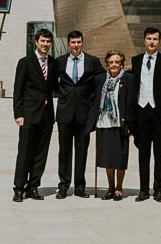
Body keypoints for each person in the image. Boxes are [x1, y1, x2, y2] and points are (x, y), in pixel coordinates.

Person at [55, 30, 103, 198]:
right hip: (65, 113)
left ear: (83, 43)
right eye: (73, 42)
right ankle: (63, 185)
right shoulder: (59, 62)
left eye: (79, 42)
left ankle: (80, 186)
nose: (76, 45)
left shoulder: (93, 61)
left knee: (82, 151)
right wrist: (64, 96)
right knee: (64, 151)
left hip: (84, 114)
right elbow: (54, 83)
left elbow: (101, 82)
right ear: (68, 44)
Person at [13, 28, 59, 202]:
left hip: (47, 116)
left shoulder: (53, 63)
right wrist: (18, 114)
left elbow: (55, 87)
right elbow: (18, 90)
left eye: (48, 42)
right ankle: (18, 188)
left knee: (41, 153)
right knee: (25, 152)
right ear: (36, 42)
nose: (45, 45)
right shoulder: (25, 62)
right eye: (42, 41)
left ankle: (33, 186)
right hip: (29, 115)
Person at [129, 26, 161, 202]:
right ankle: (143, 189)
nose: (152, 42)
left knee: (159, 153)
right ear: (144, 40)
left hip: (158, 112)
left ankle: (158, 189)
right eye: (149, 38)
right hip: (141, 112)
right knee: (143, 152)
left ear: (159, 41)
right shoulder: (136, 60)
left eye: (155, 39)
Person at [93, 50, 134, 200]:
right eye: (111, 62)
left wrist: (130, 122)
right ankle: (110, 187)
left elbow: (131, 102)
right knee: (107, 158)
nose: (114, 64)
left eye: (117, 62)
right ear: (107, 64)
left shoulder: (128, 79)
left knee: (120, 158)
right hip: (104, 122)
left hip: (120, 123)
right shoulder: (100, 80)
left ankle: (119, 187)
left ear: (122, 63)